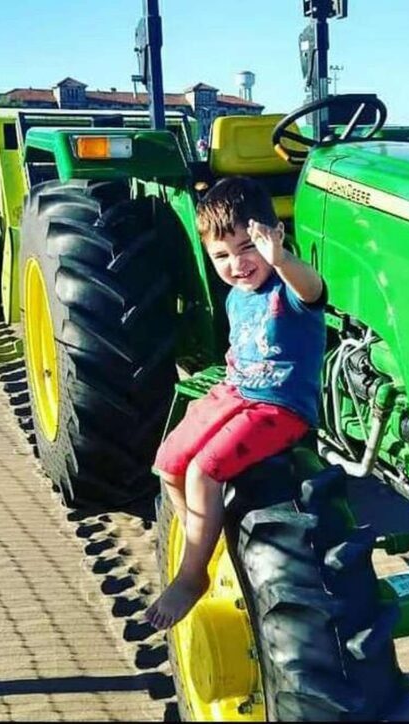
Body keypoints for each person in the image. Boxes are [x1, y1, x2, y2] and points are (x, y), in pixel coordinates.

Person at [145, 175, 326, 630]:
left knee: (206, 469)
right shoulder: (235, 299)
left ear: (272, 236)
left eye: (247, 248)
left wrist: (279, 258)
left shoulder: (289, 287)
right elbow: (240, 350)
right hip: (239, 390)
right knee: (168, 463)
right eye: (221, 256)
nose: (237, 264)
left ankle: (191, 577)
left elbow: (314, 289)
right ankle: (202, 541)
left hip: (279, 405)